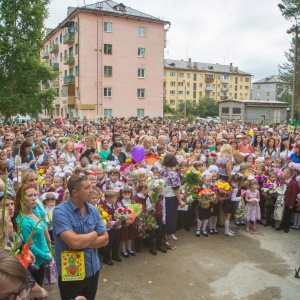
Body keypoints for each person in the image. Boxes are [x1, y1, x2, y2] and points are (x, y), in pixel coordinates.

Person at [52, 173, 109, 300]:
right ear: (75, 192)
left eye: (91, 186)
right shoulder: (60, 212)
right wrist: (94, 234)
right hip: (72, 272)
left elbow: (105, 239)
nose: (92, 190)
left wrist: (80, 241)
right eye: (87, 188)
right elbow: (75, 243)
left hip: (92, 270)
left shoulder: (93, 210)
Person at [161, 153, 185, 250]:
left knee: (164, 218)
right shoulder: (173, 174)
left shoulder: (162, 171)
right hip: (170, 198)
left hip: (162, 197)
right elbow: (176, 189)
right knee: (170, 219)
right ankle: (169, 241)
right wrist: (181, 200)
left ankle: (164, 239)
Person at [276, 167, 298, 233]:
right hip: (282, 201)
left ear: (288, 174)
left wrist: (291, 204)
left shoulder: (294, 183)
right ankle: (281, 225)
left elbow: (293, 195)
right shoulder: (283, 182)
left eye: (284, 172)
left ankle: (286, 227)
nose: (282, 173)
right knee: (283, 214)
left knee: (288, 215)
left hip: (289, 202)